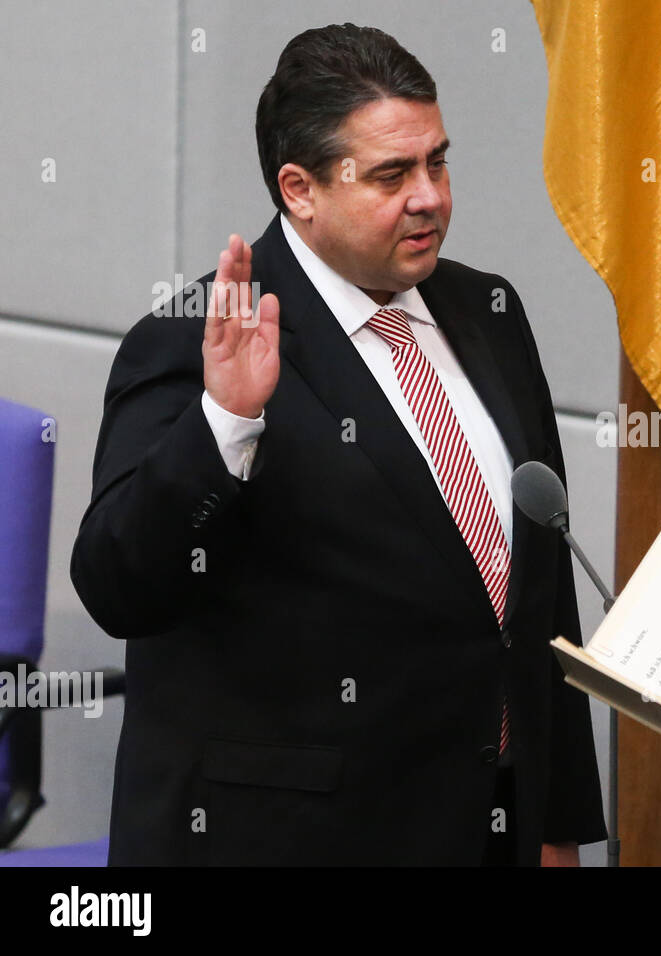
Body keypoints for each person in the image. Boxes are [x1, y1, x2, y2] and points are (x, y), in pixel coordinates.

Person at [70, 23, 605, 866]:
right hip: (289, 840)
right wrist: (223, 424)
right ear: (300, 189)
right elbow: (116, 584)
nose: (429, 196)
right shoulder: (194, 337)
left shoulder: (490, 314)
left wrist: (556, 823)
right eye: (392, 174)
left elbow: (535, 602)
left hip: (484, 826)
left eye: (438, 161)